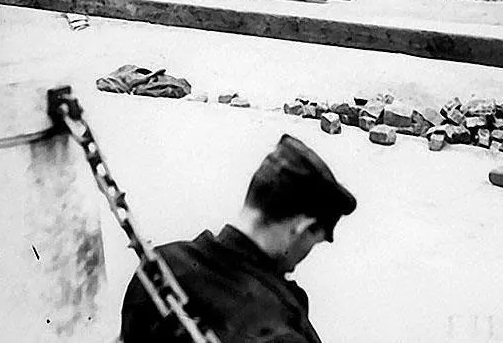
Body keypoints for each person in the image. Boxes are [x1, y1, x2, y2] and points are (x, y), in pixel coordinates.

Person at [120, 133, 357, 341]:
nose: (298, 262)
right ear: (301, 227)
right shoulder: (279, 329)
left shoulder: (160, 266)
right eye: (312, 243)